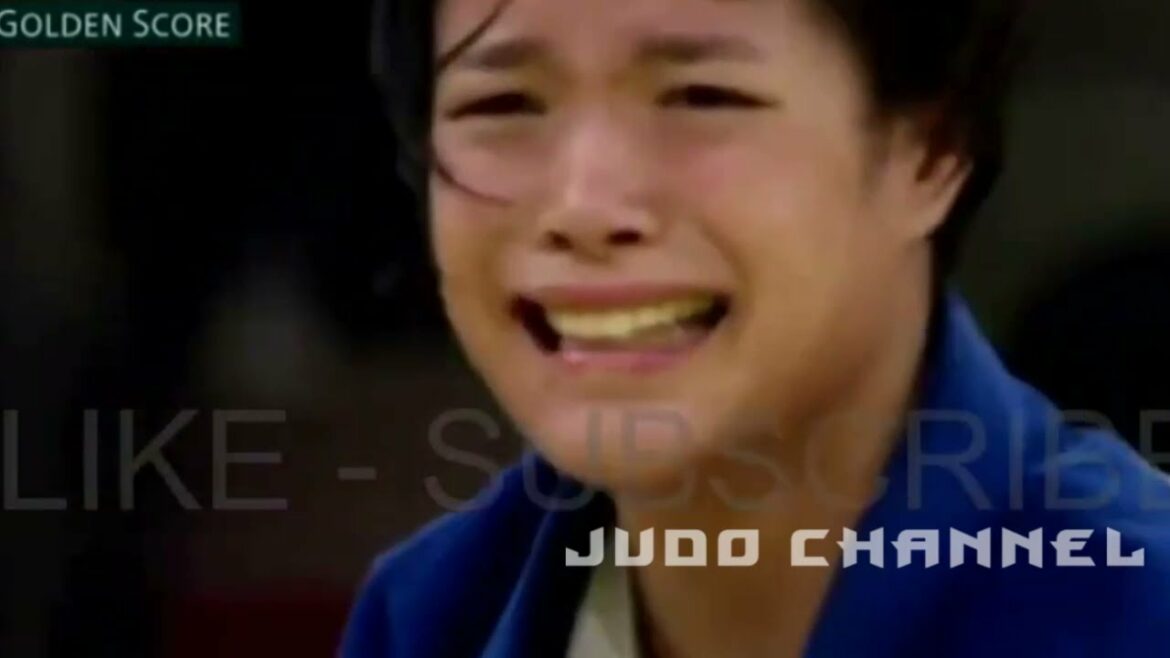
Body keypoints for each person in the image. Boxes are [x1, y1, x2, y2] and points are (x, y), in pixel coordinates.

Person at [342, 0, 1170, 656]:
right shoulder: (430, 617)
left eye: (702, 97)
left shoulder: (1139, 606)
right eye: (502, 103)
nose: (584, 207)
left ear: (929, 154)